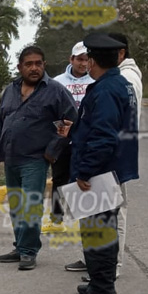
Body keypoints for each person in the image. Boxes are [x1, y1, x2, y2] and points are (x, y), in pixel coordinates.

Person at [0, 45, 77, 270]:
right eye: (29, 64)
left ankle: (28, 251)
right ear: (20, 67)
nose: (34, 68)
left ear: (44, 65)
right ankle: (20, 246)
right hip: (11, 158)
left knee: (31, 206)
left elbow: (69, 120)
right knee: (16, 206)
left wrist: (52, 151)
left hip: (35, 159)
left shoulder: (55, 90)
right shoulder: (11, 90)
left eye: (38, 63)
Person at [64, 33, 139, 294]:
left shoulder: (106, 90)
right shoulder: (118, 84)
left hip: (100, 173)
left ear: (94, 61)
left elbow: (103, 136)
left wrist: (85, 170)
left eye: (89, 60)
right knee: (99, 231)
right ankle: (99, 282)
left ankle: (103, 290)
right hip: (108, 170)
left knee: (98, 233)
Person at [49, 42, 94, 229]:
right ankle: (56, 214)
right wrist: (61, 131)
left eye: (86, 60)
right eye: (79, 59)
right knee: (59, 177)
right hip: (63, 139)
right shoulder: (58, 82)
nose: (83, 64)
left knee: (82, 177)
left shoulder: (94, 81)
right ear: (71, 59)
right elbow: (51, 110)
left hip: (85, 140)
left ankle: (79, 213)